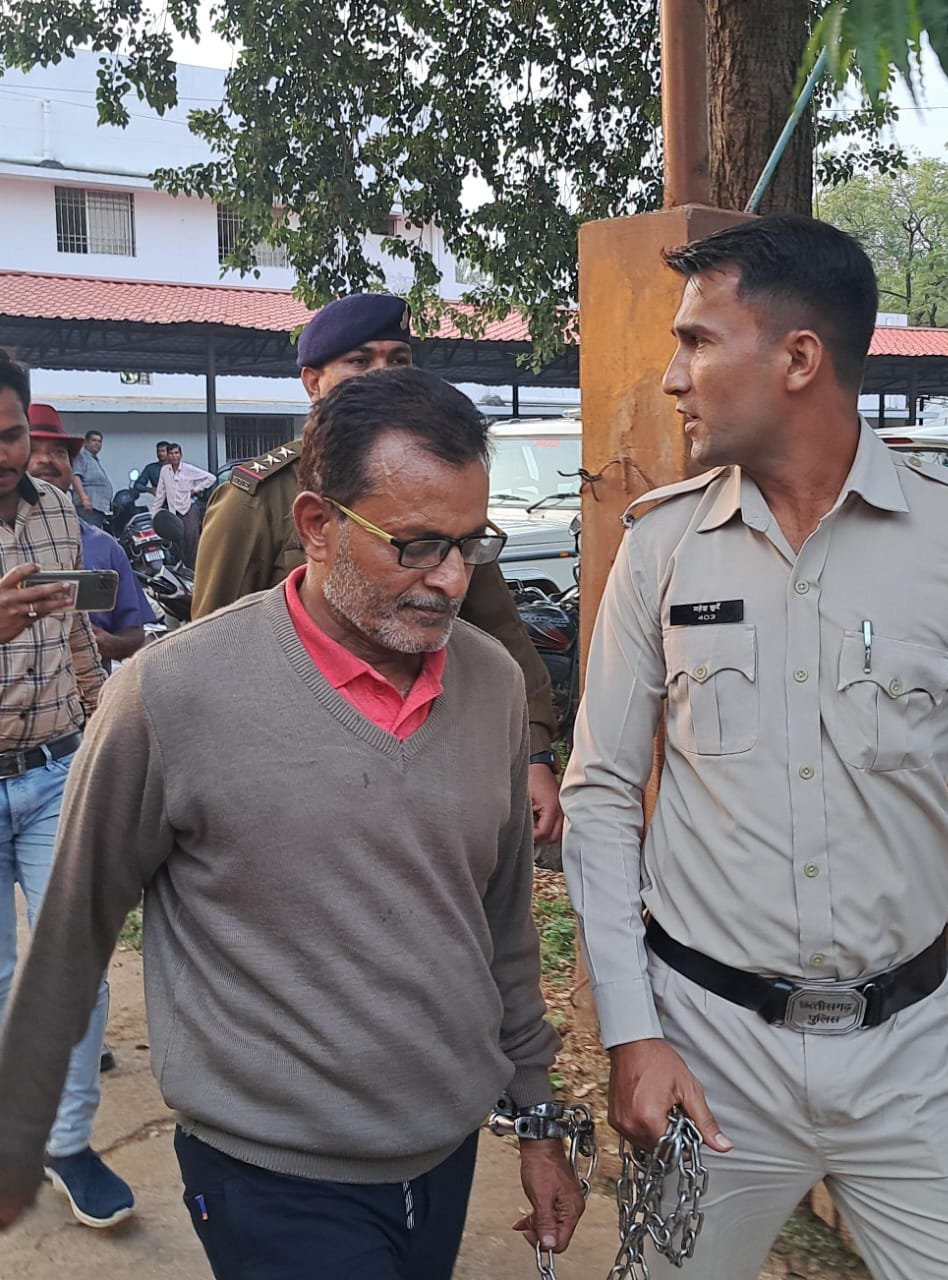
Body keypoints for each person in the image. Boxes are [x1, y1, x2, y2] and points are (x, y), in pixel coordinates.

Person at [561, 214, 948, 1280]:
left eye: (697, 342)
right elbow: (601, 794)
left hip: (910, 1057)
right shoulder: (661, 545)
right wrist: (632, 1031)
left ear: (799, 358)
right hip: (707, 1049)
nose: (673, 377)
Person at [0, 367, 585, 1278]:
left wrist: (539, 1118)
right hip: (266, 1175)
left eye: (472, 544)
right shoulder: (174, 694)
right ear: (316, 525)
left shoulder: (493, 685)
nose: (450, 578)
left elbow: (503, 923)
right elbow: (72, 930)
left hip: (444, 1147)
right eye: (417, 546)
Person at [194, 292, 563, 842]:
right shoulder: (259, 498)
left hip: (422, 752)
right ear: (313, 382)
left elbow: (499, 626)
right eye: (360, 361)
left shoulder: (442, 491)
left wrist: (534, 752)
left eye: (399, 360)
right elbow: (214, 644)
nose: (382, 375)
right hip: (293, 761)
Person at [0, 353, 134, 1228]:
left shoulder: (57, 513)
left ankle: (67, 1140)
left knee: (73, 971)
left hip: (54, 772)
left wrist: (98, 718)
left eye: (11, 435)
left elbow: (77, 633)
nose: (3, 456)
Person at [28, 404, 154, 664]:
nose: (46, 460)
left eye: (58, 452)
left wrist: (108, 644)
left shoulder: (105, 547)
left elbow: (134, 635)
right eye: (31, 450)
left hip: (90, 687)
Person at [151, 442, 216, 569]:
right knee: (177, 540)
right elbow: (160, 494)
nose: (174, 456)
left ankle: (194, 568)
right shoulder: (165, 471)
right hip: (174, 511)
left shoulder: (188, 469)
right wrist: (154, 513)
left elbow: (211, 478)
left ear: (181, 455)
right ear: (168, 456)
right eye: (171, 453)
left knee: (191, 537)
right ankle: (183, 568)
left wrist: (195, 489)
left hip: (188, 508)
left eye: (176, 453)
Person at [72, 429, 114, 526]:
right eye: (94, 440)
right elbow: (76, 477)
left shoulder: (93, 459)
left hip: (97, 508)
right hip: (88, 508)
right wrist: (84, 499)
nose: (97, 443)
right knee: (90, 533)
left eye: (99, 441)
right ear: (86, 443)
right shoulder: (82, 457)